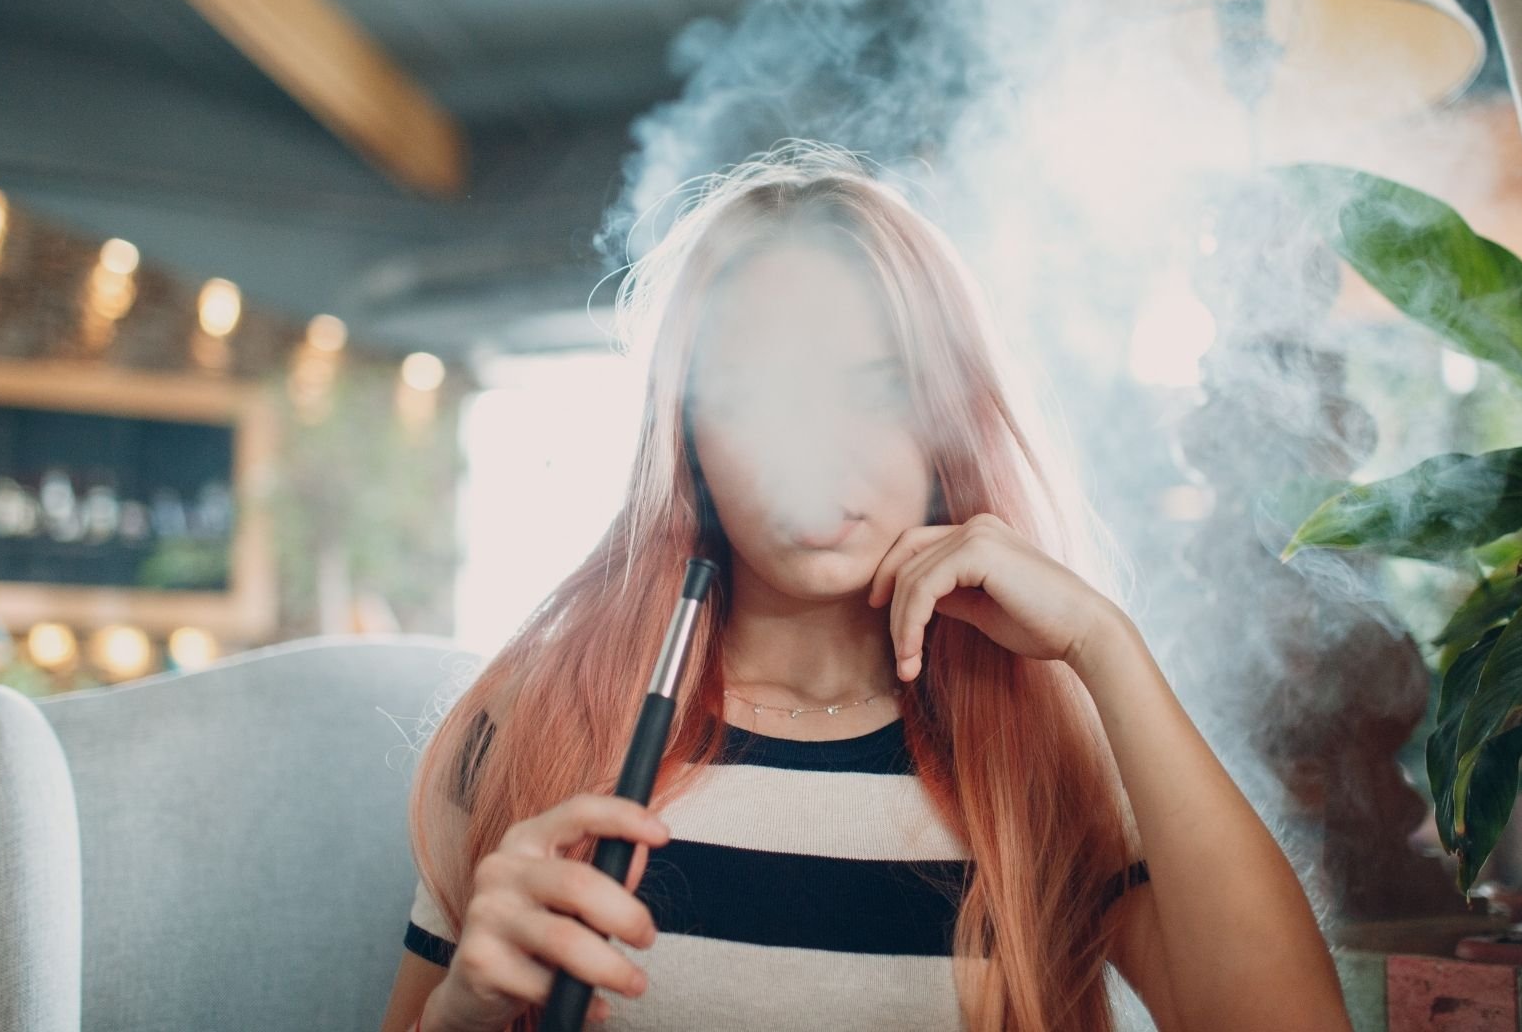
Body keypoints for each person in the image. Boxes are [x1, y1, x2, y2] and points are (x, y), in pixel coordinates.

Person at [379, 142, 1350, 1032]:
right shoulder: (535, 722)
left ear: (948, 420)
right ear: (688, 435)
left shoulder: (1049, 749)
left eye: (877, 389)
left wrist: (1106, 644)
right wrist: (461, 1015)